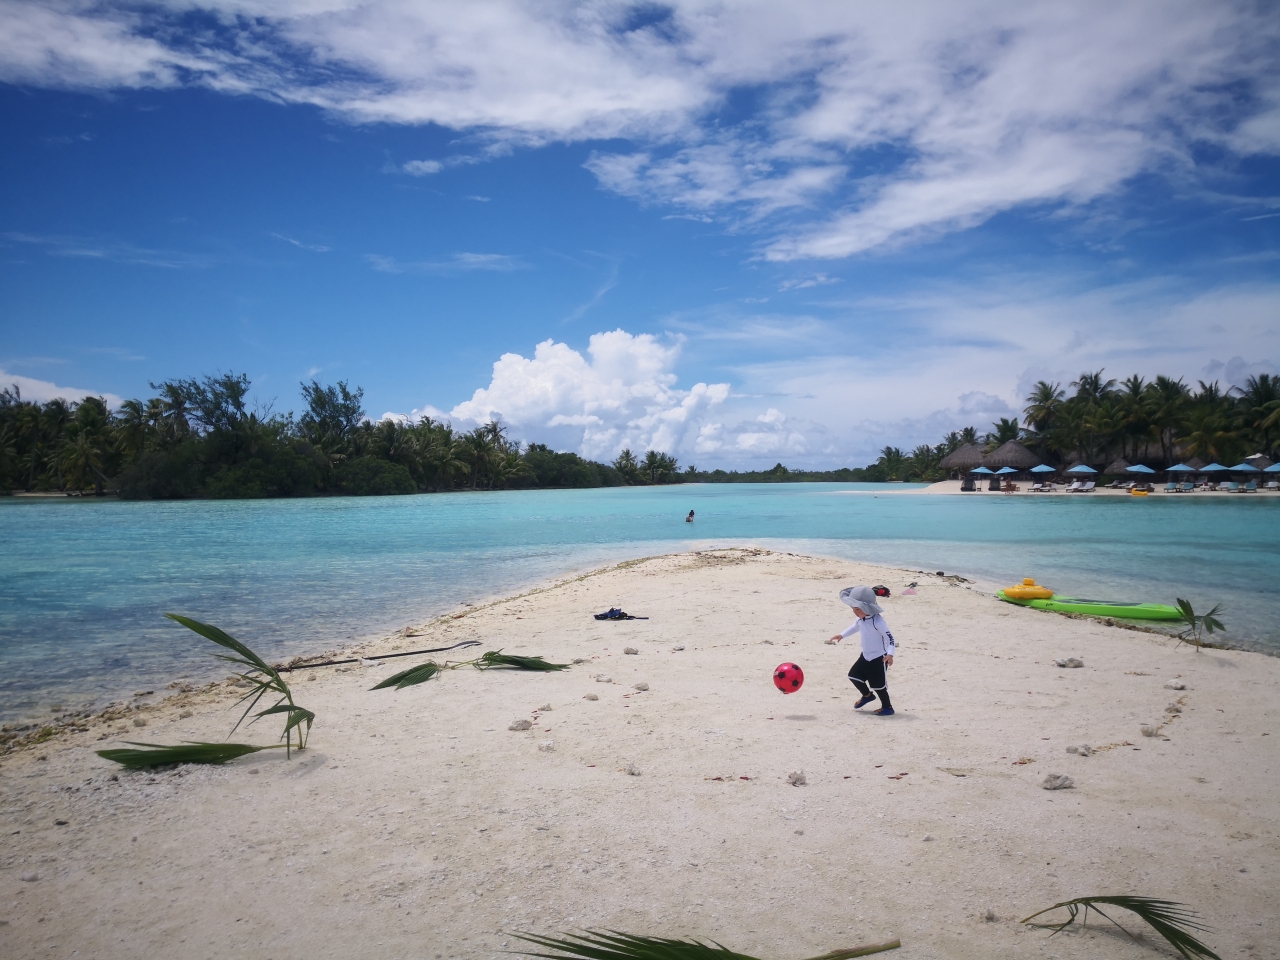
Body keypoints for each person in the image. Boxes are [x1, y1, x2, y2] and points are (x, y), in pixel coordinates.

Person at [827, 585, 897, 715]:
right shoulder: (861, 619)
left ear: (867, 608)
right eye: (853, 609)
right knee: (854, 676)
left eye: (857, 609)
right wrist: (842, 635)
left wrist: (890, 654)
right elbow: (854, 627)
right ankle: (867, 695)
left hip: (878, 659)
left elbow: (890, 638)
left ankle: (888, 707)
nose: (855, 612)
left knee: (879, 686)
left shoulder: (878, 622)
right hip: (865, 656)